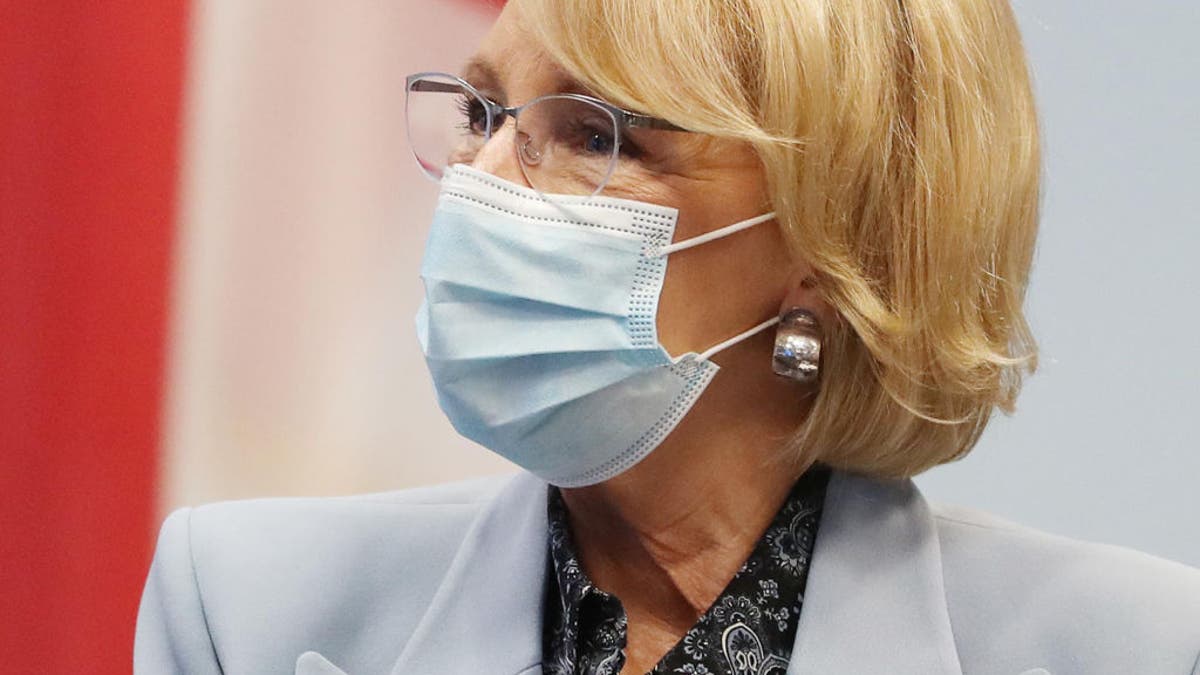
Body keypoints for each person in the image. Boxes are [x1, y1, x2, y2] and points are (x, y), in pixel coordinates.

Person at [134, 1, 1200, 673]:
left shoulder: (1138, 648)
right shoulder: (246, 606)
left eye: (598, 134)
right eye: (483, 115)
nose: (484, 180)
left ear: (835, 248)